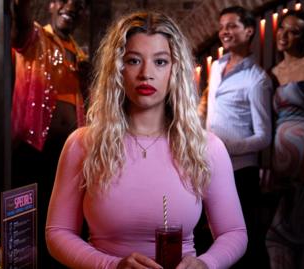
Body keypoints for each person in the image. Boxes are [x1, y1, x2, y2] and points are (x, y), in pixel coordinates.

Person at [46, 11, 247, 269]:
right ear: (117, 69)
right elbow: (57, 233)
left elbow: (234, 232)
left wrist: (206, 264)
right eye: (133, 61)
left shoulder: (206, 147)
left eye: (160, 62)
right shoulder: (83, 144)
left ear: (175, 69)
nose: (146, 74)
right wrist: (111, 266)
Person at [10, 0, 89, 267]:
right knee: (28, 220)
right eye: (64, 0)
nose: (71, 6)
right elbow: (20, 24)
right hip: (34, 148)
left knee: (60, 220)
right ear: (51, 5)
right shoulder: (35, 37)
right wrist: (20, 7)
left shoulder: (79, 53)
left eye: (78, 3)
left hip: (68, 155)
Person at [200, 6, 272, 269]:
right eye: (222, 27)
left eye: (231, 26)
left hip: (241, 171)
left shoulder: (258, 79)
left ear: (249, 31)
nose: (224, 32)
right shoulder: (217, 67)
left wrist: (228, 146)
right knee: (209, 234)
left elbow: (264, 137)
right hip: (209, 165)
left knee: (241, 240)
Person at [265, 9, 304, 269]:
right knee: (293, 231)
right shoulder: (274, 71)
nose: (285, 35)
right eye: (282, 29)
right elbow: (272, 122)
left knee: (296, 232)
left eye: (294, 32)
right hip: (281, 160)